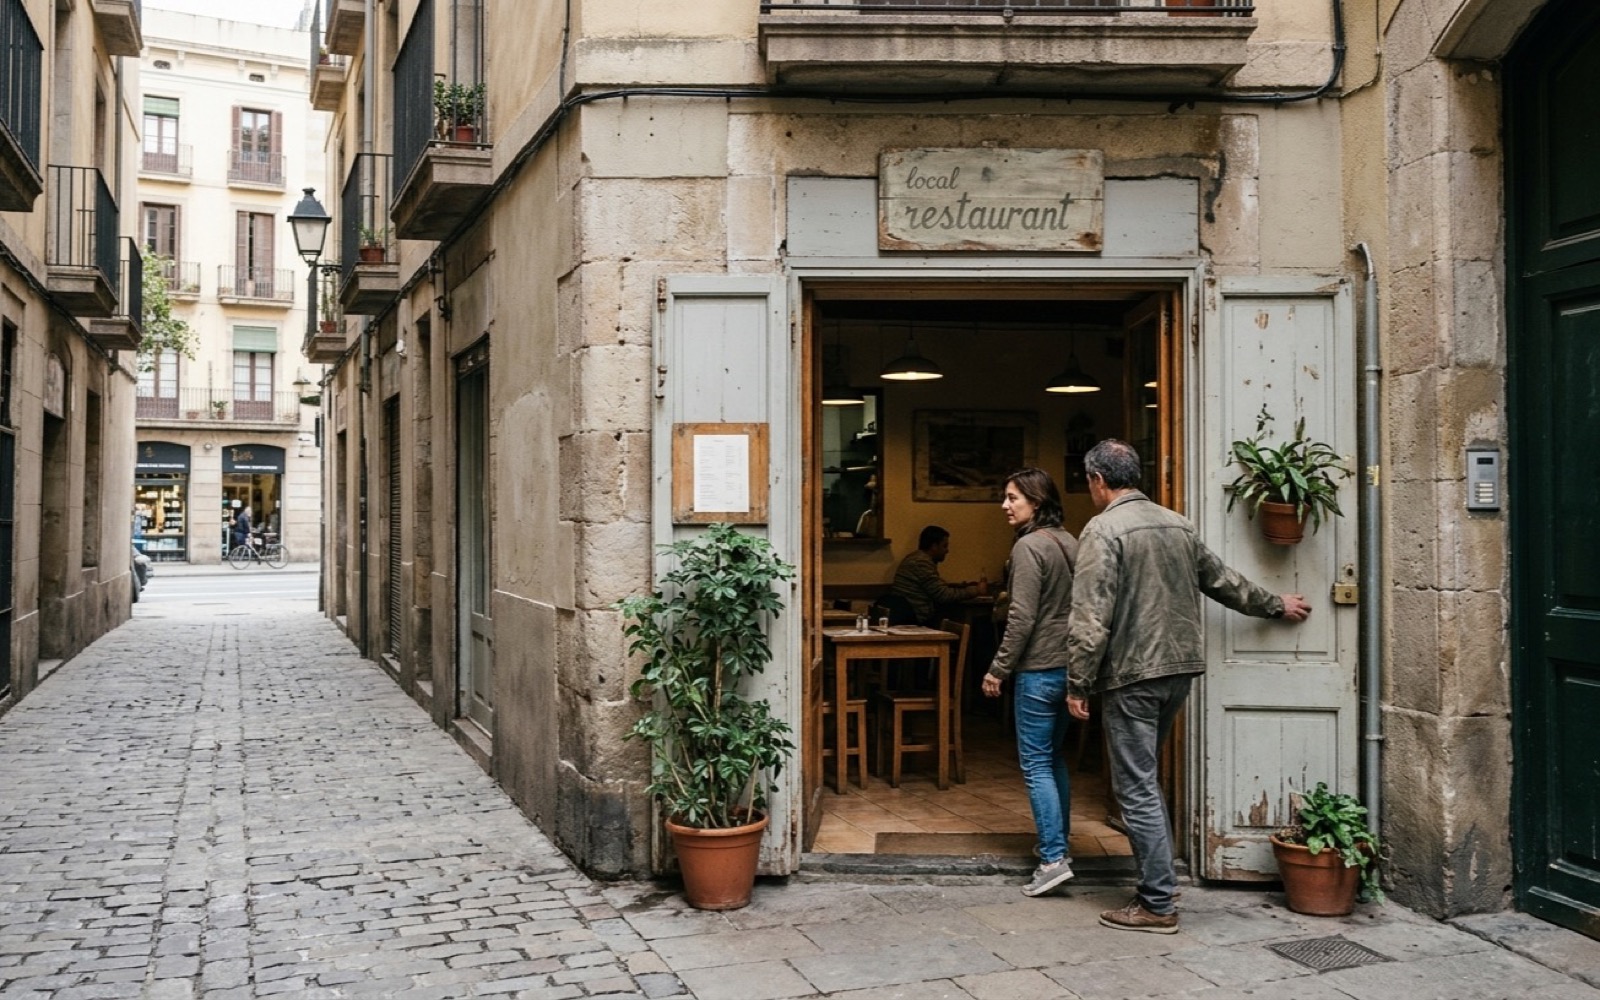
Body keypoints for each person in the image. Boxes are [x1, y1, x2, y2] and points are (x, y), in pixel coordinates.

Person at [1064, 439, 1311, 933]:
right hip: (1177, 670)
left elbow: (1090, 617)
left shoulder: (1102, 530)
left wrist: (1078, 682)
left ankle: (1157, 902)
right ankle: (1158, 888)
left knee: (1136, 787)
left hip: (1133, 673)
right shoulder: (1177, 523)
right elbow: (1222, 581)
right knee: (1146, 782)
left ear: (1097, 480)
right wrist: (1274, 604)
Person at [978, 469, 1079, 898]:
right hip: (1071, 667)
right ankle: (1061, 848)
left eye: (1012, 497)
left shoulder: (1027, 548)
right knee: (1054, 759)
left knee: (1036, 764)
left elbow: (1021, 617)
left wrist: (998, 669)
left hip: (1038, 670)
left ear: (1035, 502)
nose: (1005, 505)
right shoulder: (1072, 542)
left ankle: (1052, 858)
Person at [890, 525, 984, 627]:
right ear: (934, 546)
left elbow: (935, 587)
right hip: (913, 619)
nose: (947, 550)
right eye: (944, 546)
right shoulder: (921, 562)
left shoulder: (915, 558)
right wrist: (976, 590)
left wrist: (961, 587)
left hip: (907, 616)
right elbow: (943, 595)